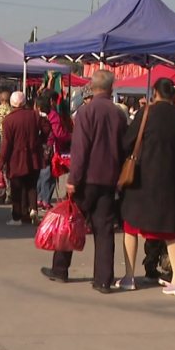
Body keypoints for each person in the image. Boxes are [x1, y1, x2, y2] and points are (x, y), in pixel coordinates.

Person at [42, 70, 128, 292]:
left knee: (70, 221)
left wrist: (73, 179)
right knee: (105, 229)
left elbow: (80, 149)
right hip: (109, 179)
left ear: (92, 87)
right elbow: (124, 148)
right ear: (111, 88)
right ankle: (103, 279)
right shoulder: (119, 114)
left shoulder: (85, 112)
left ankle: (60, 269)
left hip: (87, 178)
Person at [117, 78, 175, 297]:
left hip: (142, 181)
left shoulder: (146, 113)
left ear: (155, 92)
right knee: (171, 231)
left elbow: (127, 142)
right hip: (171, 182)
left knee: (131, 228)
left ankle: (129, 276)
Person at [0, 91, 49, 226]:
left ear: (12, 103)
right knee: (31, 186)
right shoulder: (35, 115)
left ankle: (17, 217)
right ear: (25, 102)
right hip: (34, 156)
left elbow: (7, 144)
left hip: (16, 157)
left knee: (16, 188)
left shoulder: (9, 120)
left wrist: (1, 161)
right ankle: (32, 210)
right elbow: (47, 128)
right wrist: (40, 140)